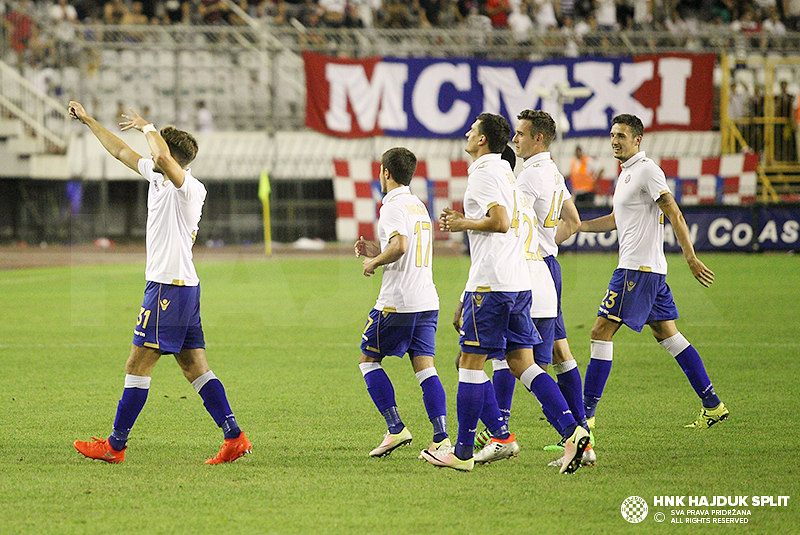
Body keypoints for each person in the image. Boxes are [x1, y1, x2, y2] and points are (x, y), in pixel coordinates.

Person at [69, 101, 251, 465]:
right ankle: (234, 437)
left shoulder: (190, 189)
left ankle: (115, 446)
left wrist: (148, 126)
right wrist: (90, 121)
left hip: (169, 288)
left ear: (168, 154)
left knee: (137, 365)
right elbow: (121, 150)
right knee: (194, 366)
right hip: (181, 287)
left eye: (159, 151)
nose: (152, 156)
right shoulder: (157, 177)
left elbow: (163, 159)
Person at [422, 113, 590, 473]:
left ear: (482, 140)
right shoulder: (507, 174)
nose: (467, 133)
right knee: (522, 364)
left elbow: (499, 223)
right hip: (518, 283)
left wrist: (463, 222)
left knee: (469, 365)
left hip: (493, 285)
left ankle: (464, 453)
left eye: (472, 130)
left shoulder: (485, 174)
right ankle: (572, 432)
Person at [573, 114, 727, 434]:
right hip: (645, 270)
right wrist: (579, 227)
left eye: (622, 136)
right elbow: (617, 219)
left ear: (637, 140)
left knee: (600, 332)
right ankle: (713, 405)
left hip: (636, 270)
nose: (615, 140)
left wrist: (691, 257)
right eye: (613, 135)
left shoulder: (647, 170)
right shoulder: (627, 173)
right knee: (667, 334)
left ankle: (584, 420)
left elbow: (674, 211)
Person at [511, 109, 595, 468]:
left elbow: (513, 228)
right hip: (550, 265)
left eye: (520, 134)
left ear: (538, 139)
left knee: (515, 356)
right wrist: (548, 242)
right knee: (560, 352)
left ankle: (500, 433)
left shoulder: (527, 177)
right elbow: (573, 222)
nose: (515, 140)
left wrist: (537, 246)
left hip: (530, 268)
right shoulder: (553, 171)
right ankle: (581, 438)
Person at [354, 147, 449, 458]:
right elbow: (401, 246)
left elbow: (400, 246)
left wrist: (374, 263)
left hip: (398, 303)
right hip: (427, 301)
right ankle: (441, 438)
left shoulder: (392, 205)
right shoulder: (418, 205)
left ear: (385, 173)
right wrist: (375, 250)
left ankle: (396, 429)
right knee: (425, 369)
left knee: (368, 361)